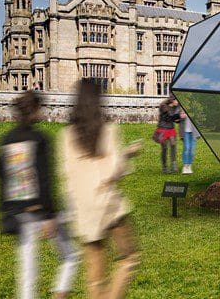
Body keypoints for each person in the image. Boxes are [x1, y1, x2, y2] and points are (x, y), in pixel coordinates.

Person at [60, 80, 142, 299]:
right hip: (108, 207)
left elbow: (68, 175)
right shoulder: (107, 130)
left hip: (83, 208)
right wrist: (128, 153)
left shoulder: (67, 135)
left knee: (95, 280)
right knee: (130, 258)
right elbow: (113, 170)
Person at [0, 90, 78, 299]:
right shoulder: (40, 138)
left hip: (18, 211)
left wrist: (7, 209)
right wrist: (49, 215)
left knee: (27, 273)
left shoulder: (7, 140)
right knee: (70, 256)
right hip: (41, 210)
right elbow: (44, 177)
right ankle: (59, 293)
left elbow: (0, 174)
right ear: (34, 110)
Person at [156, 95, 182, 173]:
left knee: (173, 145)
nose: (178, 102)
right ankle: (165, 167)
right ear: (172, 100)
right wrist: (178, 116)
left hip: (171, 129)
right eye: (176, 101)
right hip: (163, 129)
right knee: (164, 148)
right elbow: (169, 118)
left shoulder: (175, 108)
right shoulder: (163, 107)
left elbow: (174, 120)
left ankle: (173, 164)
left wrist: (179, 119)